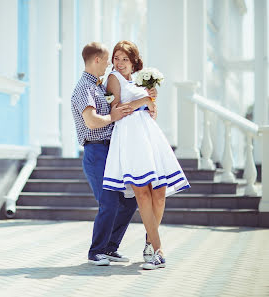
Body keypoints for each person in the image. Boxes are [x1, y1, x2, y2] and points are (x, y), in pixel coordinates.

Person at [102, 40, 190, 270]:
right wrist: (145, 100)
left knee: (159, 193)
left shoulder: (139, 81)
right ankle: (158, 251)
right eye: (117, 58)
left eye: (125, 59)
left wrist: (151, 102)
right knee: (142, 193)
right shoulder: (114, 79)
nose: (119, 63)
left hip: (149, 136)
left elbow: (151, 113)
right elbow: (118, 110)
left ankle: (150, 244)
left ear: (133, 62)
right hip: (130, 137)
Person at [71, 42, 157, 266]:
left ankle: (110, 247)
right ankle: (96, 251)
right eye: (109, 59)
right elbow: (91, 121)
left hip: (111, 149)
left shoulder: (98, 86)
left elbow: (121, 103)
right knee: (108, 202)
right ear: (97, 60)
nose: (111, 64)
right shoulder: (84, 88)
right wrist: (113, 117)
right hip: (96, 150)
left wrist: (147, 98)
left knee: (128, 201)